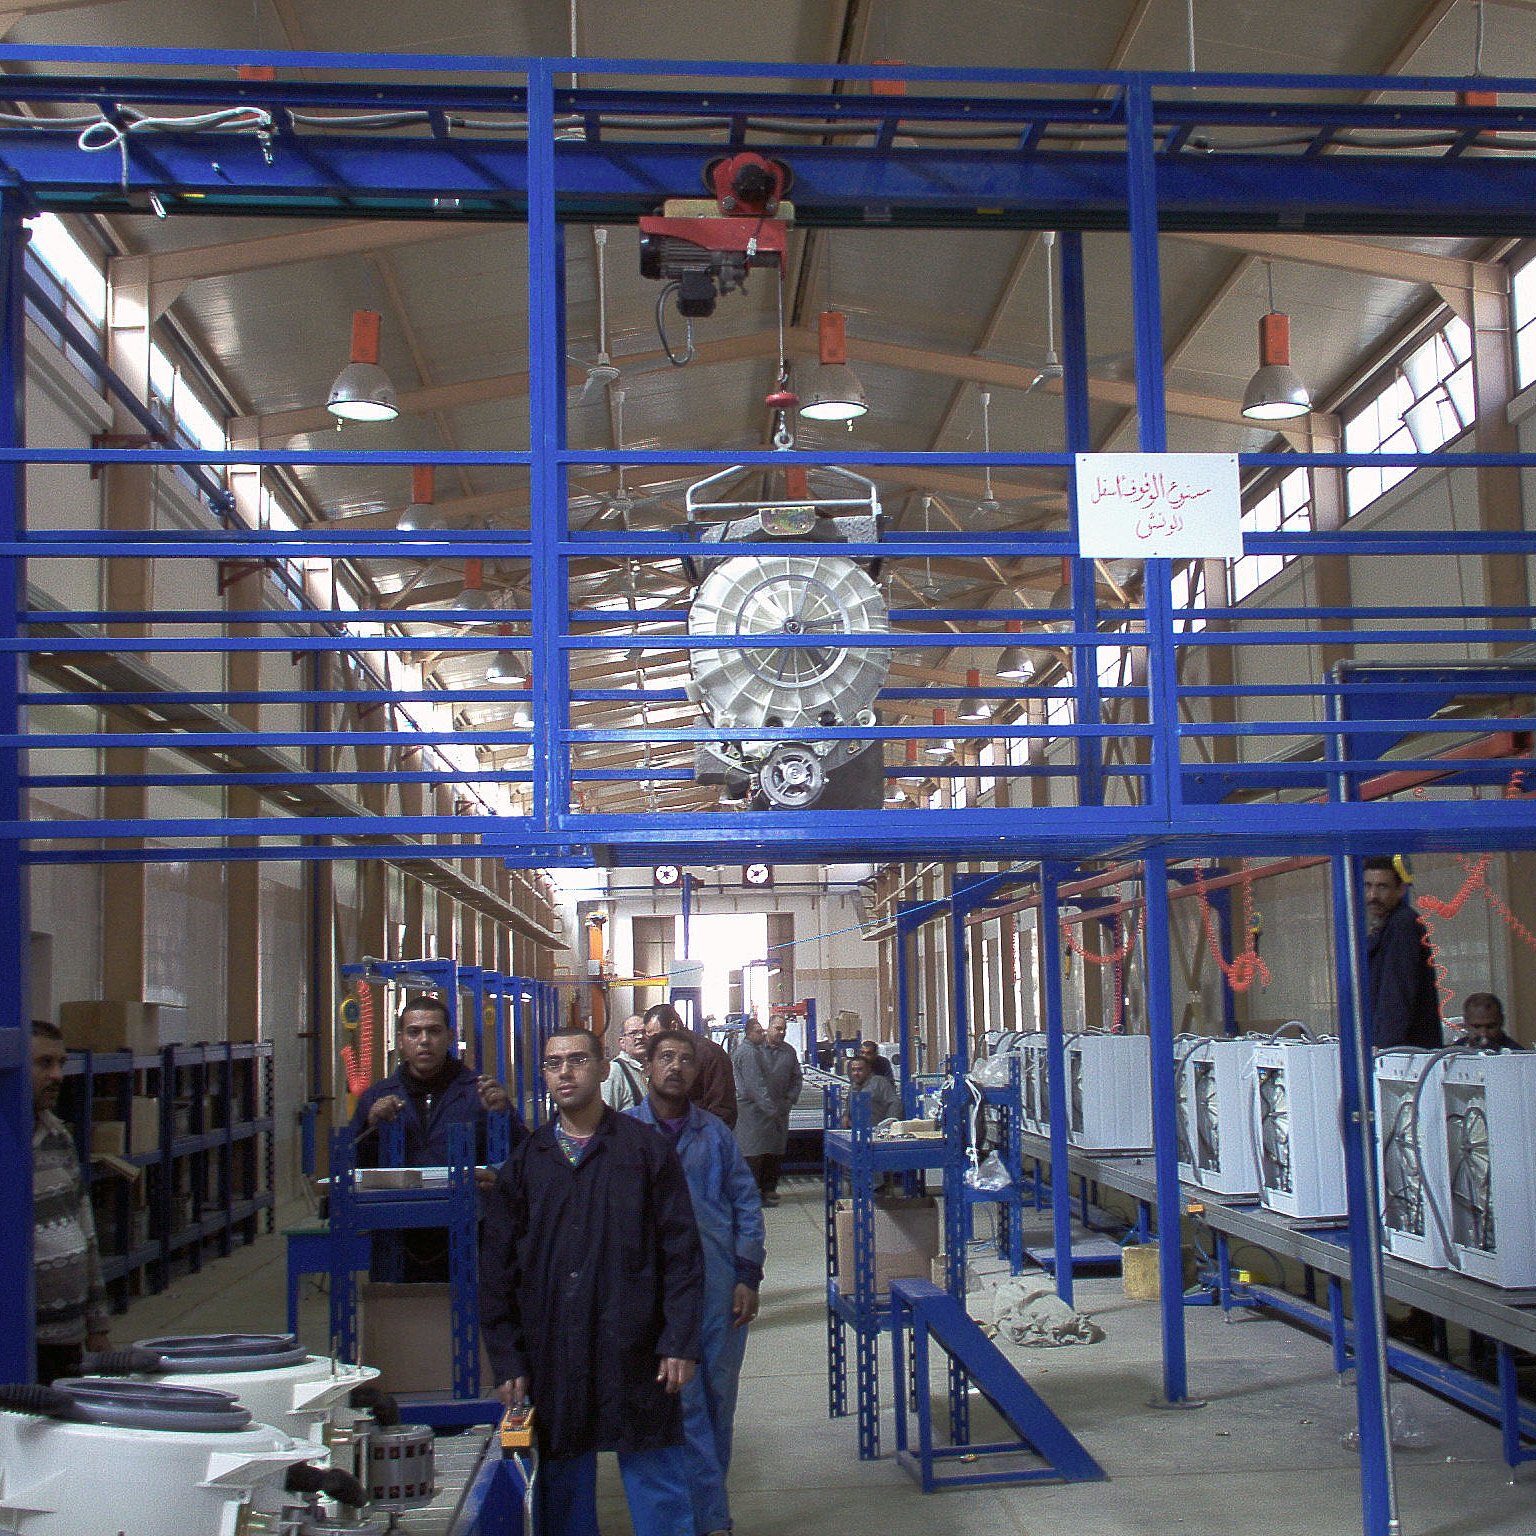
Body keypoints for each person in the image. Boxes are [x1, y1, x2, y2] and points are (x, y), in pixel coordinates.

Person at [480, 1027, 704, 1536]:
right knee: (562, 1487)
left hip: (639, 1346)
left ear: (603, 1069)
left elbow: (682, 1254)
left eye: (577, 1060)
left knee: (658, 1481)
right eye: (553, 1063)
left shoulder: (645, 1152)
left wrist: (680, 1341)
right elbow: (497, 1270)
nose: (564, 1072)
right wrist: (508, 1356)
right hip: (555, 1349)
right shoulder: (526, 1165)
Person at [627, 1030, 764, 1536]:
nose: (676, 1068)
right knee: (681, 1408)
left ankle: (707, 1512)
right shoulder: (626, 1135)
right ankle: (706, 1520)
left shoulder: (715, 1135)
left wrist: (747, 1274)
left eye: (686, 1060)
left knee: (717, 1402)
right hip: (653, 1293)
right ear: (648, 1067)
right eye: (666, 1058)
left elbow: (746, 1205)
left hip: (717, 1289)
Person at [349, 994, 524, 1280]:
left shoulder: (478, 1092)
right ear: (401, 1039)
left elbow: (523, 1155)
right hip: (397, 1240)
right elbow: (353, 1165)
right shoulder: (378, 1098)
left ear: (450, 1037)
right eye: (414, 1032)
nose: (424, 1040)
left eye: (434, 1031)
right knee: (400, 1315)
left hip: (469, 1237)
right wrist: (370, 1126)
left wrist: (503, 1116)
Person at [32, 1021, 109, 1384]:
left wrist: (98, 1324)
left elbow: (86, 1229)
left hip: (68, 1336)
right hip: (21, 1337)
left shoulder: (58, 1136)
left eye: (61, 1063)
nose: (58, 1075)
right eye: (44, 1063)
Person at [1363, 858, 1441, 1050]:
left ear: (1401, 890)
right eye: (1368, 886)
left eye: (1382, 887)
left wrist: (1382, 1049)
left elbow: (1396, 994)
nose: (1373, 895)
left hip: (1404, 1054)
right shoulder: (1388, 925)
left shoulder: (1402, 925)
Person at [734, 1015, 802, 1206]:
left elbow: (797, 1078)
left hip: (779, 1110)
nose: (781, 1032)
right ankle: (754, 1194)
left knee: (775, 1152)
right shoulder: (754, 1051)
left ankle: (769, 1189)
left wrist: (789, 1099)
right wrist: (769, 1108)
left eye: (784, 1029)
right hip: (754, 1113)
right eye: (777, 1028)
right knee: (754, 1155)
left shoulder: (789, 1052)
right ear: (768, 1028)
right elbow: (754, 1085)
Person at [644, 1002, 738, 1127]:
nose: (653, 1042)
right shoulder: (658, 1056)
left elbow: (723, 1110)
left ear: (674, 1026)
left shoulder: (710, 1054)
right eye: (649, 1037)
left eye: (656, 1035)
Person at [602, 1012, 649, 1110]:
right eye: (633, 1033)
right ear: (622, 1042)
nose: (640, 1037)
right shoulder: (615, 1071)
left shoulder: (648, 1069)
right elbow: (605, 1115)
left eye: (644, 1032)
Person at [843, 1053, 901, 1126]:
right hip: (857, 1130)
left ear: (868, 1069)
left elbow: (894, 1102)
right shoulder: (853, 1087)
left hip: (876, 1130)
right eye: (853, 1070)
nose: (856, 1073)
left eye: (860, 1069)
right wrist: (846, 1115)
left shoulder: (880, 1082)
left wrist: (890, 1121)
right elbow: (849, 1106)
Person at [1460, 992, 1525, 1052]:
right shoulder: (1452, 1052)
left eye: (1490, 1027)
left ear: (1501, 1021)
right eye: (1476, 1027)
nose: (1483, 1034)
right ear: (1466, 1022)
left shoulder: (1518, 1055)